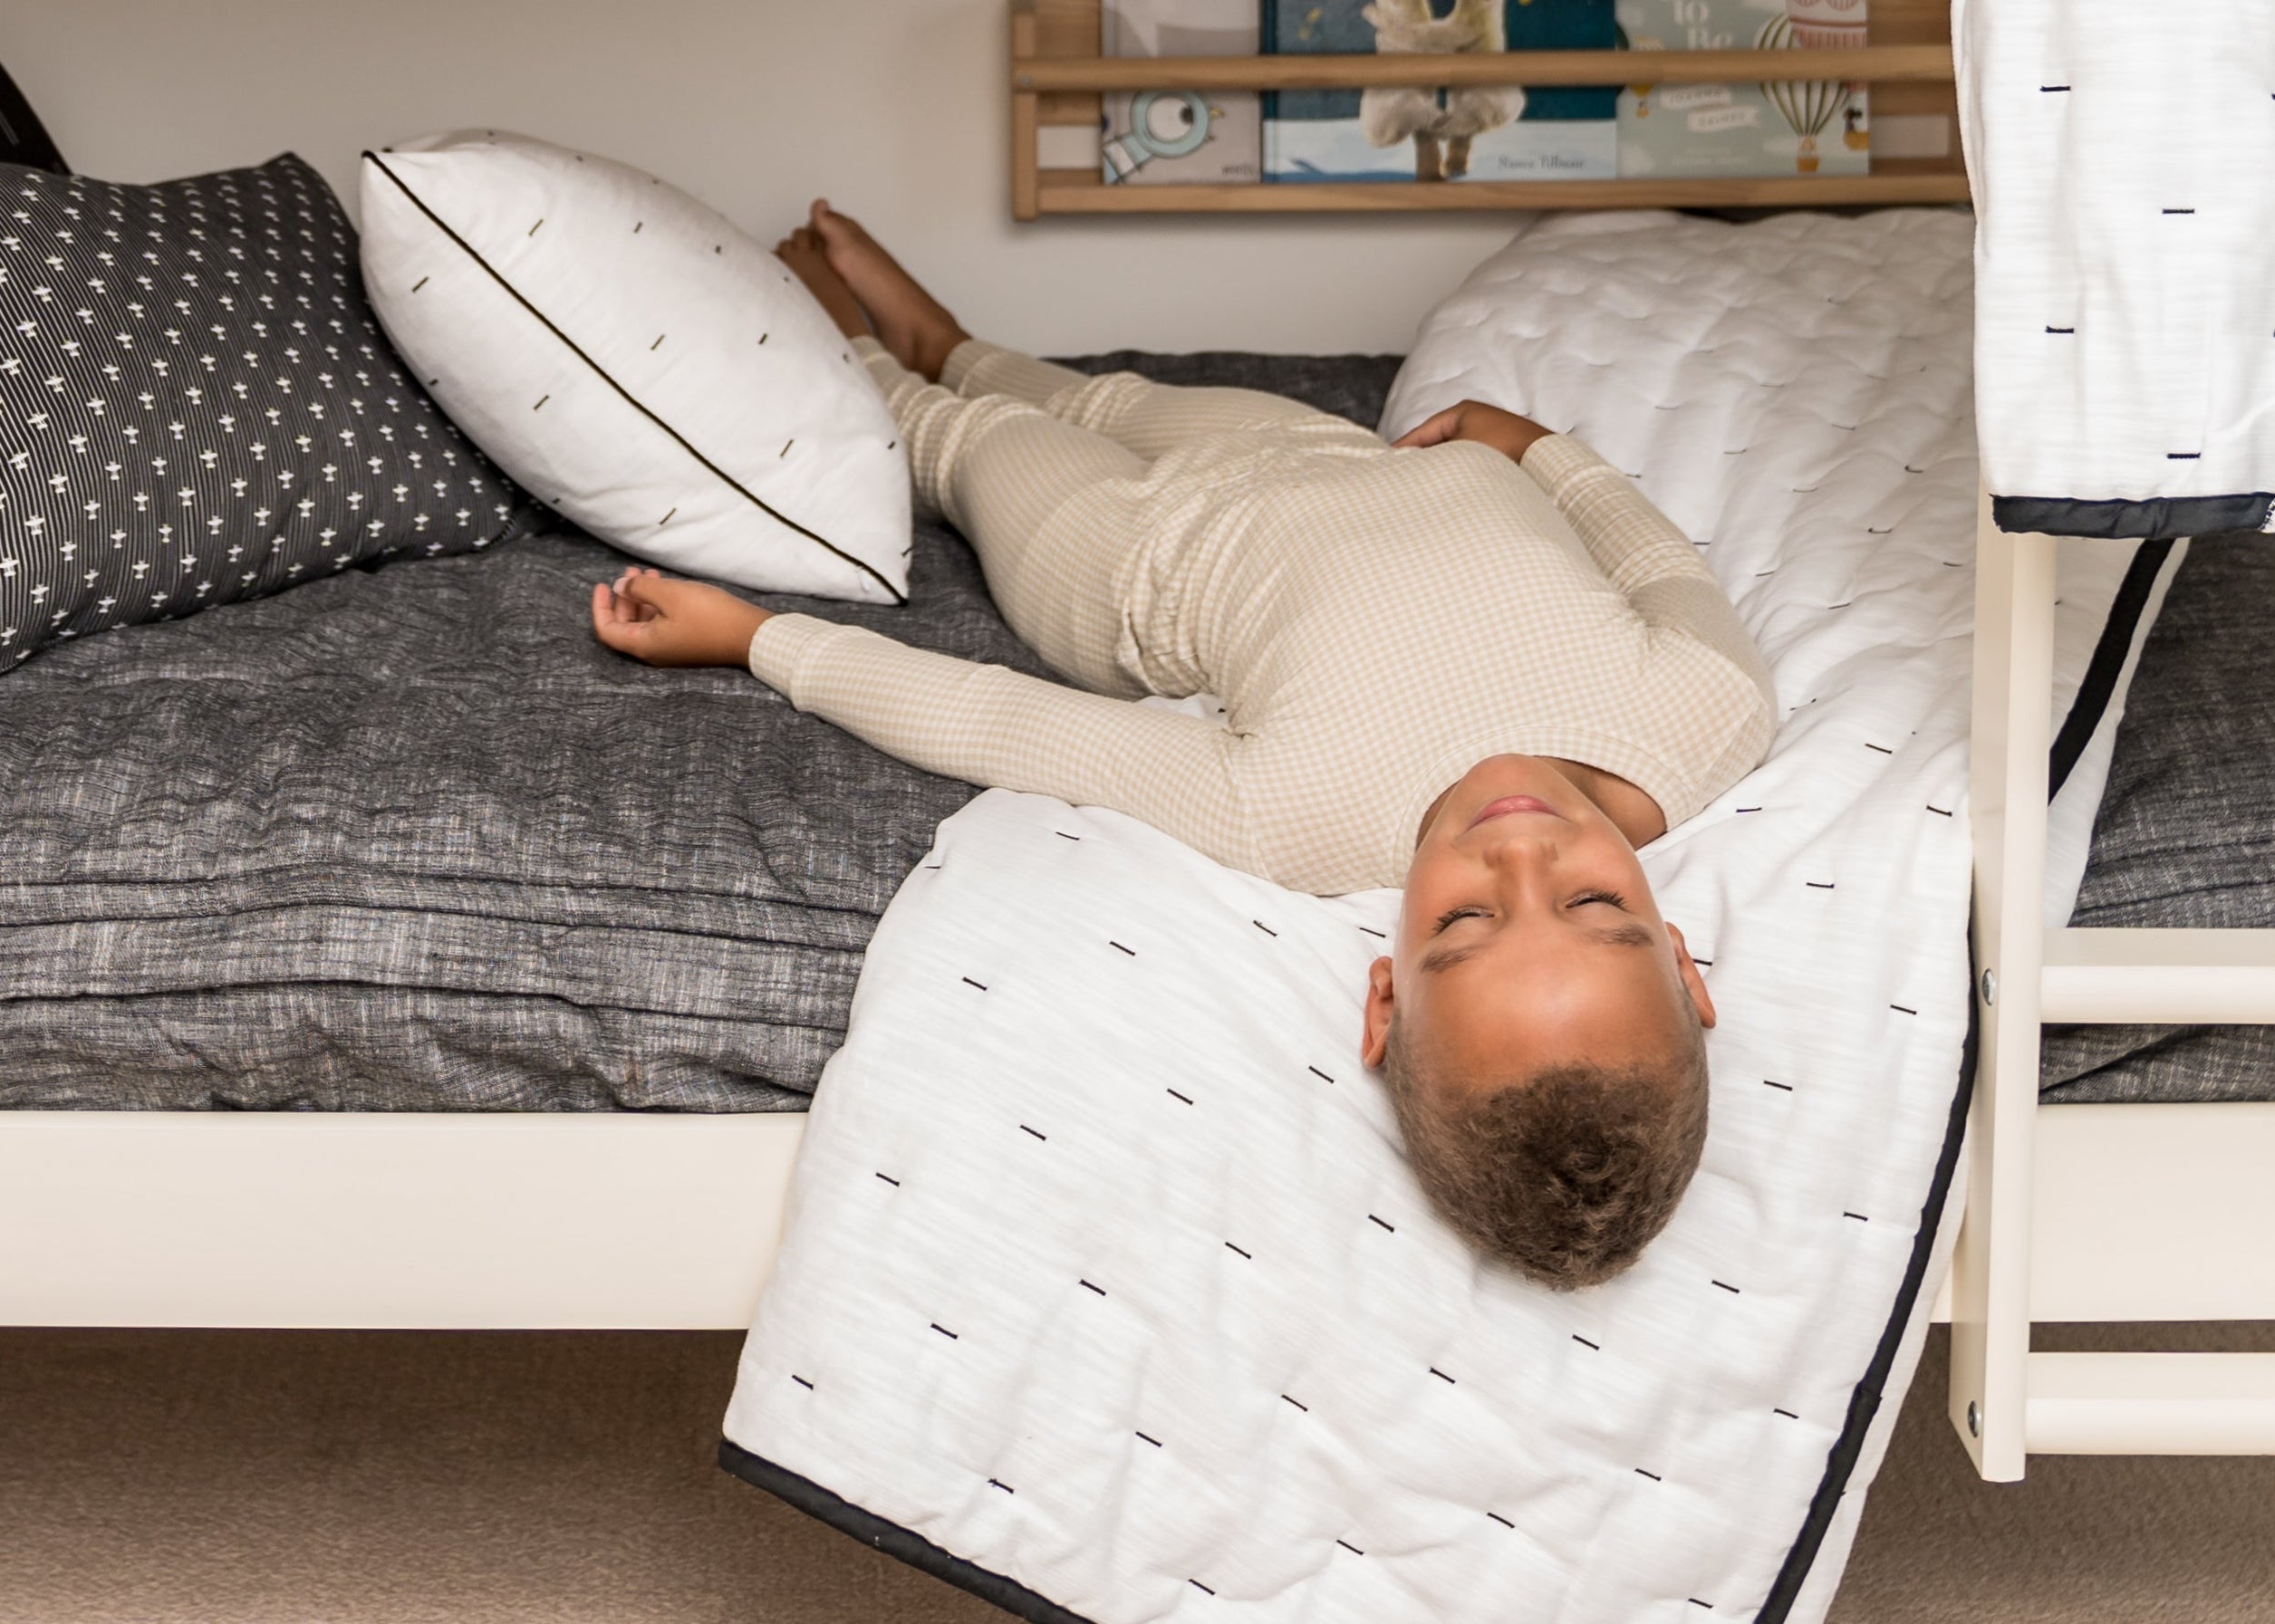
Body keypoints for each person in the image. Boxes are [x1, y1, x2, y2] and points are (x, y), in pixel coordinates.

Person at [590, 206, 1770, 1290]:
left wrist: (757, 638)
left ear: (1383, 995)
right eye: (1594, 906)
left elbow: (1012, 725)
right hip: (1319, 453)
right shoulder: (1704, 711)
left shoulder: (1302, 818)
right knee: (1101, 396)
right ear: (1676, 952)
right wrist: (1536, 449)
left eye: (1464, 922)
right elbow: (1656, 558)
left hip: (1120, 562)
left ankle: (873, 359)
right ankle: (951, 334)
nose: (1524, 855)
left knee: (965, 438)